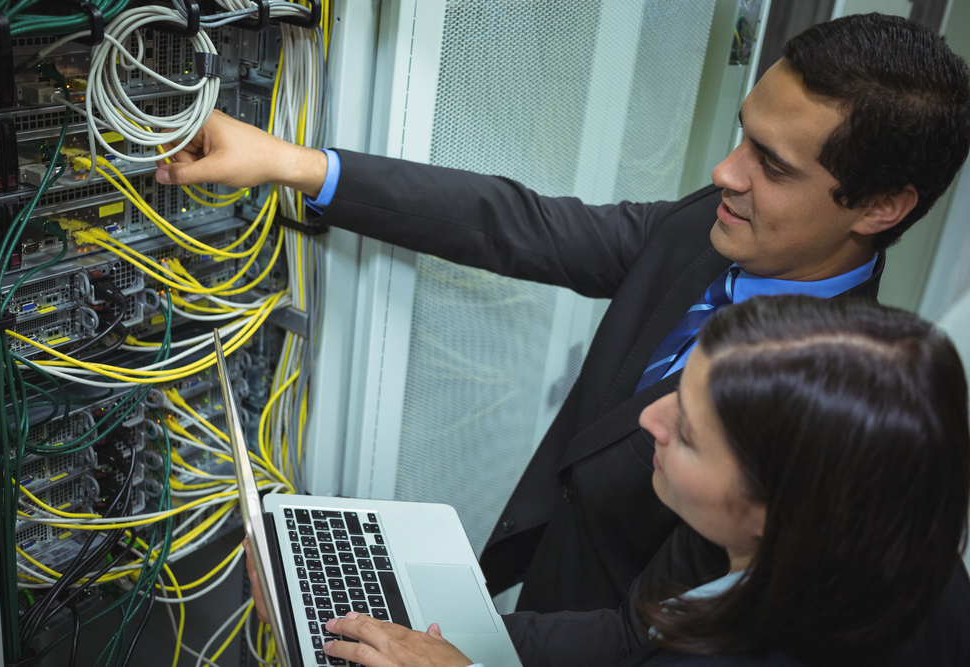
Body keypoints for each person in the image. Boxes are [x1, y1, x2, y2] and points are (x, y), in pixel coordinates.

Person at [161, 11, 970, 656]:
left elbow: (651, 635)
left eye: (774, 164)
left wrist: (379, 626)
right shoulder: (722, 225)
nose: (726, 172)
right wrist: (296, 164)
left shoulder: (833, 418)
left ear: (881, 206)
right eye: (741, 135)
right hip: (546, 584)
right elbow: (530, 227)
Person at [305, 295, 970, 667]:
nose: (649, 417)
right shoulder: (910, 552)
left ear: (781, 509)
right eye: (678, 391)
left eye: (688, 432)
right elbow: (637, 632)